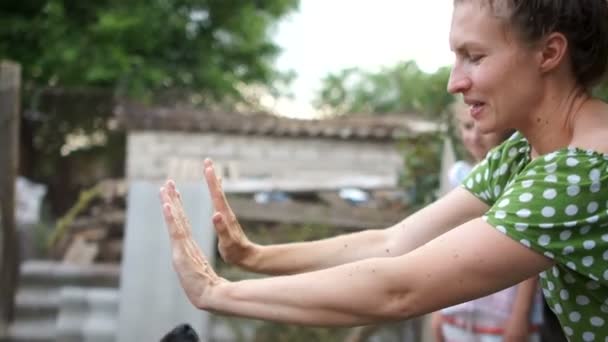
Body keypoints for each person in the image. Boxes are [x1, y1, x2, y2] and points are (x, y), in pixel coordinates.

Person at [159, 1, 608, 340]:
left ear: (549, 53)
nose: (455, 82)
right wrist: (255, 257)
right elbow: (393, 243)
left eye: (475, 56)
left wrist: (217, 293)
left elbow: (399, 290)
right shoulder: (523, 155)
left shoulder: (584, 174)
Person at [431, 102, 543, 342]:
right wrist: (438, 309)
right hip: (458, 308)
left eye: (481, 127)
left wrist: (520, 315)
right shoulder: (459, 178)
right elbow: (445, 247)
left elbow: (532, 251)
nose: (474, 136)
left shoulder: (524, 180)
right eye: (467, 126)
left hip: (504, 313)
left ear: (504, 128)